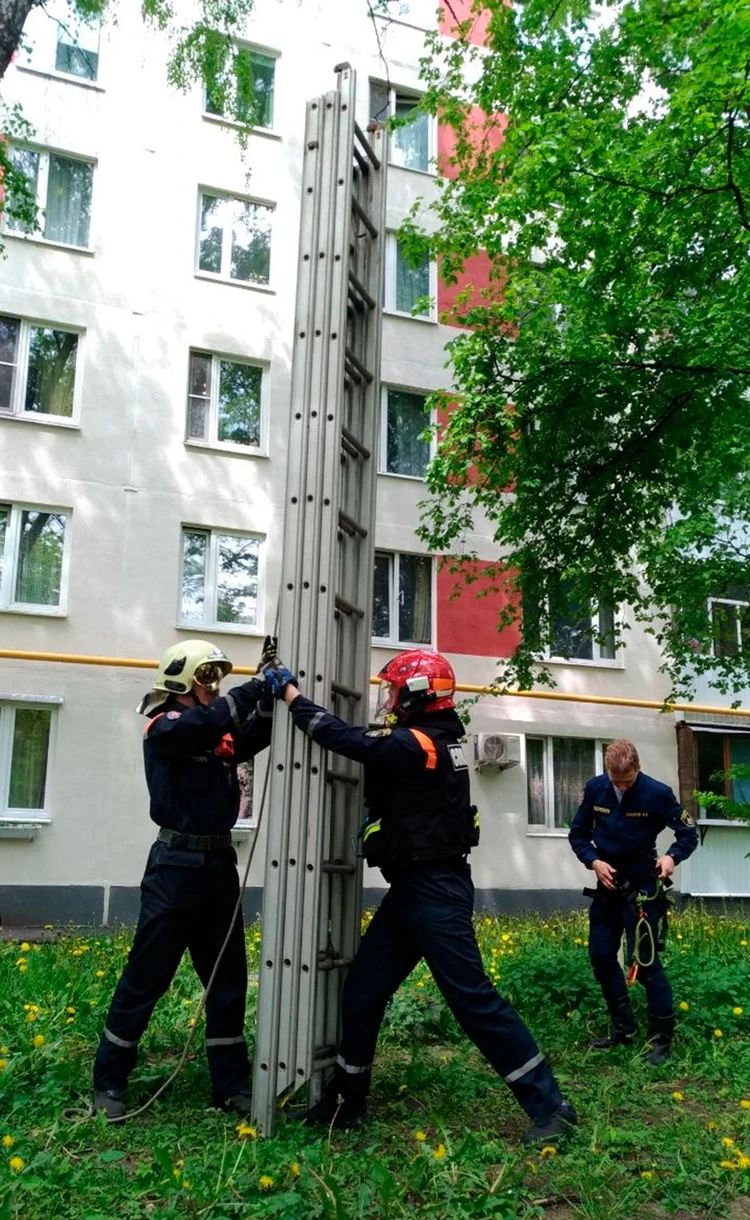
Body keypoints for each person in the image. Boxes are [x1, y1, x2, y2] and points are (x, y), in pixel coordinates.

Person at [264, 649, 578, 1146]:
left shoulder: (422, 744)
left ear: (416, 693)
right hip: (411, 889)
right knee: (364, 989)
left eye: (393, 690)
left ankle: (552, 1107)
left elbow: (342, 739)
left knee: (472, 999)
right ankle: (348, 1102)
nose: (388, 699)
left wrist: (289, 693)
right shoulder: (433, 739)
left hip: (436, 889)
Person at [92, 638, 276, 1120]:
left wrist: (271, 698)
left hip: (218, 870)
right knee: (146, 977)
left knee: (227, 980)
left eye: (216, 679)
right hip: (173, 868)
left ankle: (230, 1085)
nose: (214, 688)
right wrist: (255, 686)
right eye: (207, 678)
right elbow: (207, 722)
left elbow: (248, 734)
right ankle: (109, 1081)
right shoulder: (166, 726)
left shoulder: (212, 734)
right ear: (182, 681)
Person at [568, 738, 698, 1064]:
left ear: (637, 769)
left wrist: (671, 858)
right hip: (607, 883)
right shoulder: (596, 788)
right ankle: (623, 1029)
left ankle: (660, 1041)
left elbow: (688, 834)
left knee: (646, 962)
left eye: (627, 781)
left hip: (642, 883)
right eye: (616, 781)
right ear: (607, 772)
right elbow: (578, 834)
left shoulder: (657, 793)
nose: (621, 787)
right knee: (600, 955)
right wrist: (593, 862)